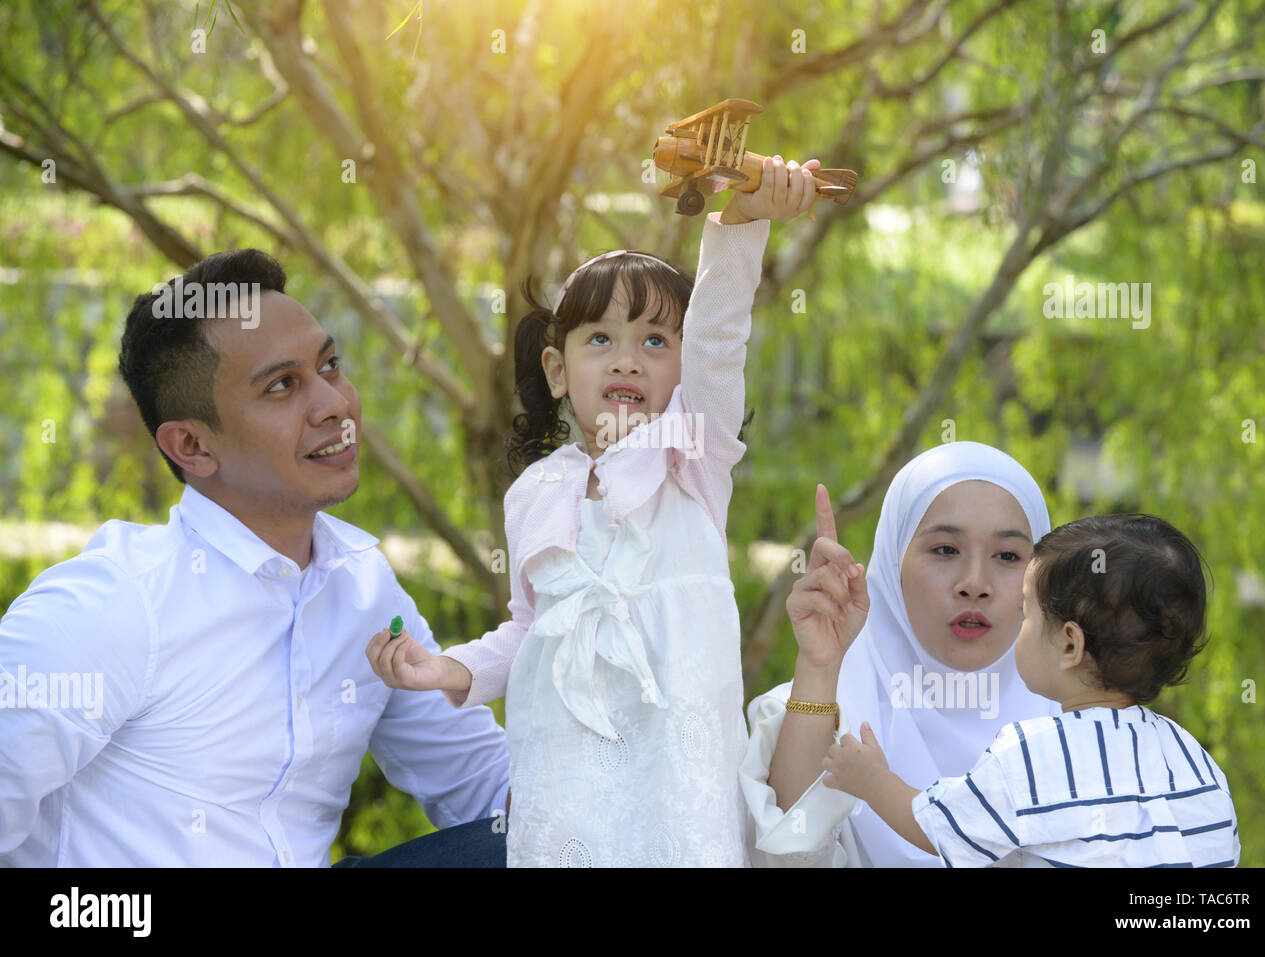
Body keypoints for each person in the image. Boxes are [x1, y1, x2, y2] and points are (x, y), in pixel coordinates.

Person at [367, 156, 820, 866]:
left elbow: (720, 336)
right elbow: (529, 628)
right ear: (557, 371)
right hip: (567, 786)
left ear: (682, 369)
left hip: (678, 794)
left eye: (655, 341)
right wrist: (446, 670)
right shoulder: (536, 493)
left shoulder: (692, 456)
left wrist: (741, 221)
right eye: (600, 340)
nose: (628, 360)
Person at [0, 249, 511, 867]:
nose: (335, 405)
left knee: (546, 842)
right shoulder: (112, 604)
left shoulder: (361, 589)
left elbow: (489, 792)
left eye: (329, 367)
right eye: (282, 386)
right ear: (192, 445)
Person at [823, 513, 1240, 867]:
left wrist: (871, 779)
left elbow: (939, 827)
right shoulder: (1193, 756)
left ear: (1070, 645)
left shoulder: (1032, 751)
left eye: (1027, 614)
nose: (1017, 624)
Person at [741, 440, 1059, 866]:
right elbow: (783, 856)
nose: (975, 582)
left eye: (1007, 555)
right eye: (946, 549)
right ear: (893, 563)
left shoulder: (1080, 725)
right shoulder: (827, 712)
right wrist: (819, 667)